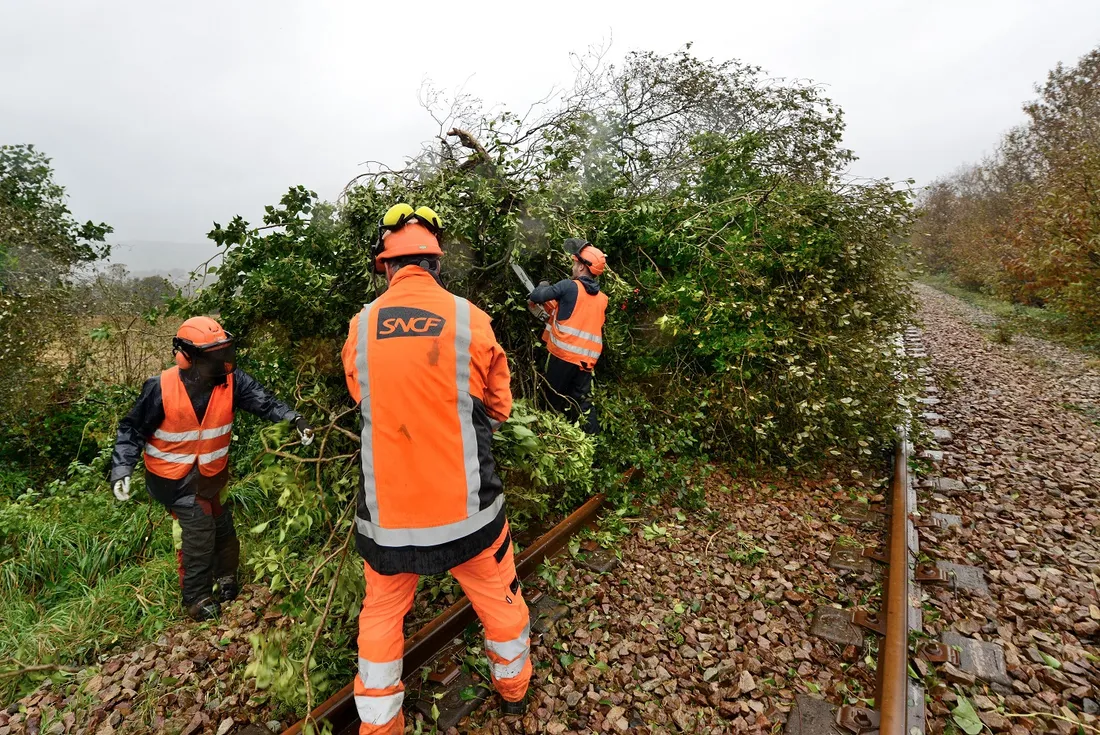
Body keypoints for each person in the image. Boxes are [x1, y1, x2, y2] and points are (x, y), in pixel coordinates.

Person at [341, 203, 531, 734]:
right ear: (437, 264)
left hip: (387, 521)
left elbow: (364, 400)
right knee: (500, 601)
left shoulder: (360, 328)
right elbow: (498, 408)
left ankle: (380, 727)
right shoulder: (472, 319)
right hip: (468, 515)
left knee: (380, 616)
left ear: (386, 267)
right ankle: (513, 693)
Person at [109, 316, 314, 621]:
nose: (221, 362)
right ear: (186, 357)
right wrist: (121, 468)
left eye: (223, 353)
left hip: (211, 474)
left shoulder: (233, 381)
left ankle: (226, 577)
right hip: (172, 479)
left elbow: (266, 402)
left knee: (222, 525)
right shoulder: (161, 387)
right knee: (199, 529)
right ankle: (197, 597)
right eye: (213, 356)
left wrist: (294, 419)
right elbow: (132, 429)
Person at [526, 238, 608, 434]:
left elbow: (537, 297)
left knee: (551, 398)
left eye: (574, 263)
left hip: (563, 356)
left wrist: (542, 286)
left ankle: (547, 435)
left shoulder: (569, 286)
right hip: (586, 361)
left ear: (581, 267)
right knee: (583, 402)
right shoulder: (602, 299)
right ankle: (592, 441)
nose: (573, 266)